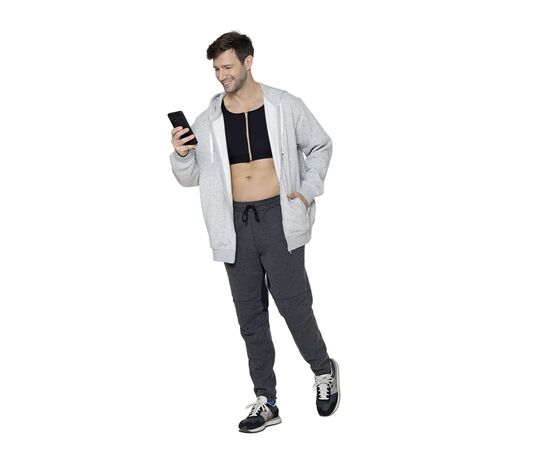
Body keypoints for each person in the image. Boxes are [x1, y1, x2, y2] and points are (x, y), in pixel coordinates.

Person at [169, 31, 340, 433]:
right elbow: (190, 177)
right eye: (216, 69)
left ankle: (323, 369)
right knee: (250, 316)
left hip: (279, 217)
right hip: (234, 224)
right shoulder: (208, 120)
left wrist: (306, 192)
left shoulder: (284, 105)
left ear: (248, 62)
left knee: (294, 306)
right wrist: (181, 153)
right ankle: (267, 400)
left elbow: (320, 146)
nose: (221, 75)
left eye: (227, 66)